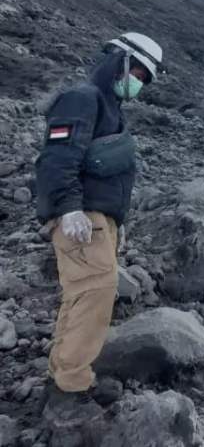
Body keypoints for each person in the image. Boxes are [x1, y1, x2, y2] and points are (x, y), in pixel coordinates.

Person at [35, 33, 163, 419]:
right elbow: (58, 158)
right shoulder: (84, 98)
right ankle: (69, 392)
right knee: (95, 292)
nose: (138, 81)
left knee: (82, 296)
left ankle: (61, 376)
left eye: (145, 77)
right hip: (81, 219)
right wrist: (69, 208)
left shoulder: (108, 107)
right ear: (119, 61)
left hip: (97, 220)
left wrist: (115, 221)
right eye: (137, 71)